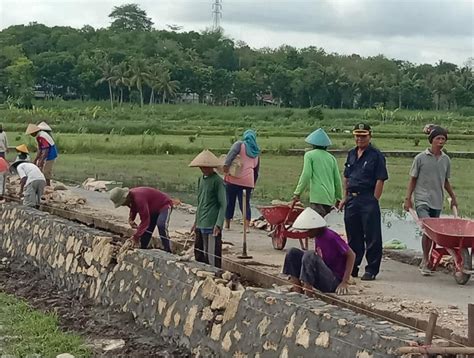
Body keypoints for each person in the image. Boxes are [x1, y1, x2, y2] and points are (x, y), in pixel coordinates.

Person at [403, 126, 457, 276]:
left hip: (437, 199)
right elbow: (412, 180)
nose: (440, 142)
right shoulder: (420, 158)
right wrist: (408, 199)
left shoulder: (446, 160)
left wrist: (453, 197)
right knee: (427, 229)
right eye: (438, 139)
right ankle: (425, 260)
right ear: (431, 140)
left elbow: (445, 181)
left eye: (443, 139)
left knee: (433, 233)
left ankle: (428, 259)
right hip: (422, 199)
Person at [338, 123, 388, 281]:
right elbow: (346, 176)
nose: (360, 138)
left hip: (367, 198)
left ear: (370, 136)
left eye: (363, 135)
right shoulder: (352, 153)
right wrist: (345, 197)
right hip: (352, 198)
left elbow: (380, 179)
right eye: (357, 135)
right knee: (353, 236)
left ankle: (372, 269)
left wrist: (374, 200)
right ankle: (352, 267)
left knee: (372, 235)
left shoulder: (376, 155)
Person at [283, 207, 355, 295]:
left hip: (333, 280)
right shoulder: (318, 236)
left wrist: (344, 282)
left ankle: (307, 291)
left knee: (310, 254)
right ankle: (297, 287)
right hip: (323, 273)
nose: (307, 234)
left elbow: (351, 255)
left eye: (308, 231)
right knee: (292, 252)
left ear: (316, 228)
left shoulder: (330, 236)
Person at [189, 149, 226, 268]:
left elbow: (223, 204)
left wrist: (218, 224)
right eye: (201, 167)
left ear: (211, 167)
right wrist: (196, 221)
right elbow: (200, 202)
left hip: (211, 224)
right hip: (201, 223)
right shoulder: (200, 180)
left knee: (212, 256)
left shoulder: (218, 182)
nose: (203, 169)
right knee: (199, 253)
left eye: (205, 167)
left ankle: (215, 276)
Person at [293, 128, 342, 217]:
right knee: (324, 223)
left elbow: (306, 174)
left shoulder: (309, 155)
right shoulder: (331, 158)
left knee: (316, 224)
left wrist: (297, 192)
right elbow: (337, 180)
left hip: (317, 197)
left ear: (313, 144)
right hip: (329, 198)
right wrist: (339, 198)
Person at [109, 186, 174, 251]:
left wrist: (136, 236)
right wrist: (131, 218)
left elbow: (145, 220)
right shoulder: (131, 197)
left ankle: (168, 249)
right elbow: (133, 207)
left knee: (161, 225)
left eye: (122, 203)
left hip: (164, 205)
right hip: (152, 209)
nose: (123, 205)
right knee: (147, 230)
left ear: (125, 198)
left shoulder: (139, 199)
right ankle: (143, 248)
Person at [223, 129, 260, 231]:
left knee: (230, 201)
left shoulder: (239, 144)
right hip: (248, 181)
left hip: (233, 179)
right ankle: (246, 227)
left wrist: (226, 167)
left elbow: (230, 155)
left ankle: (227, 224)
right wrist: (253, 183)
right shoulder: (256, 151)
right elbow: (256, 170)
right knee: (245, 203)